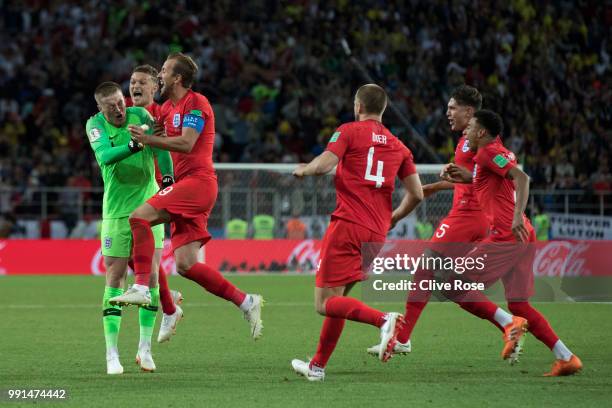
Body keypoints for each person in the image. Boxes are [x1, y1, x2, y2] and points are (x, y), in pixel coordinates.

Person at [109, 53, 264, 340]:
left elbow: (186, 142)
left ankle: (143, 288)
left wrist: (148, 139)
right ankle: (246, 301)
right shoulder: (166, 108)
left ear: (177, 78)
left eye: (164, 71)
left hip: (197, 183)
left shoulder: (197, 103)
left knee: (138, 219)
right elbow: (148, 120)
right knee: (186, 265)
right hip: (182, 187)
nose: (160, 75)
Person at [368, 86, 524, 361]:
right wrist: (438, 186)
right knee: (439, 279)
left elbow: (497, 174)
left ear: (469, 112)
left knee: (428, 269)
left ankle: (506, 321)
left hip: (470, 214)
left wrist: (465, 177)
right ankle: (404, 339)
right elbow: (471, 178)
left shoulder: (482, 143)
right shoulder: (465, 142)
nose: (447, 113)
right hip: (465, 213)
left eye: (453, 108)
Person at [290, 84, 424, 381]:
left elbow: (325, 164)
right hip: (376, 233)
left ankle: (384, 320)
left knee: (324, 304)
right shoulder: (399, 146)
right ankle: (317, 367)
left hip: (348, 225)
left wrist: (305, 170)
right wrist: (393, 217)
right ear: (383, 110)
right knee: (339, 300)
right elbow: (416, 194)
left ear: (358, 106)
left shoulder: (349, 131)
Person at [444, 109, 582, 376]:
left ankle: (508, 324)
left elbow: (522, 178)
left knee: (452, 283)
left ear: (482, 132)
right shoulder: (495, 153)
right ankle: (566, 357)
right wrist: (464, 179)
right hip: (523, 235)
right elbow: (492, 183)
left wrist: (517, 216)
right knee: (520, 304)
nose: (466, 132)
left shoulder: (485, 153)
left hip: (507, 234)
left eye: (470, 127)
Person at [86, 81, 174, 374]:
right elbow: (105, 156)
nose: (119, 108)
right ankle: (112, 354)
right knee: (115, 276)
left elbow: (161, 146)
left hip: (149, 210)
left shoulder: (141, 115)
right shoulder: (95, 125)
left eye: (121, 102)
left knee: (150, 279)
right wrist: (137, 143)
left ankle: (144, 349)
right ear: (101, 108)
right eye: (111, 105)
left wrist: (169, 179)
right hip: (116, 213)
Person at [128, 64, 184, 343]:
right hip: (127, 194)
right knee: (131, 255)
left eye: (142, 82)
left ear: (154, 87)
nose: (135, 86)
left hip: (156, 192)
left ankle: (167, 308)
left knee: (149, 266)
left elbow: (163, 148)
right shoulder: (127, 112)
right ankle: (167, 299)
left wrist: (168, 180)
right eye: (132, 81)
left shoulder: (160, 115)